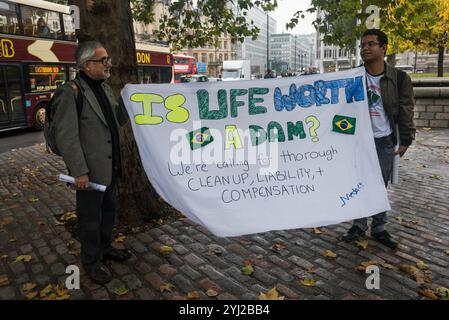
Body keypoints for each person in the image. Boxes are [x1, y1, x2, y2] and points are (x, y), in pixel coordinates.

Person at [53, 41, 130, 284]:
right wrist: (79, 172)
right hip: (89, 172)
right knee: (89, 220)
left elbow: (117, 120)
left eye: (108, 59)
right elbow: (67, 137)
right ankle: (91, 262)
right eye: (104, 60)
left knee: (108, 213)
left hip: (110, 167)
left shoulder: (105, 88)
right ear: (87, 65)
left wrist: (131, 98)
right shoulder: (71, 91)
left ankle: (106, 249)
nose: (109, 64)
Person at [342, 29, 415, 249]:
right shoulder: (352, 76)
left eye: (370, 44)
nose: (365, 48)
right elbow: (342, 108)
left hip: (384, 140)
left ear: (383, 48)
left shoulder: (399, 78)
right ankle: (358, 225)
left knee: (379, 186)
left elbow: (406, 109)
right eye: (362, 45)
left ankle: (379, 227)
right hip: (358, 141)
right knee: (359, 183)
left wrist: (406, 139)